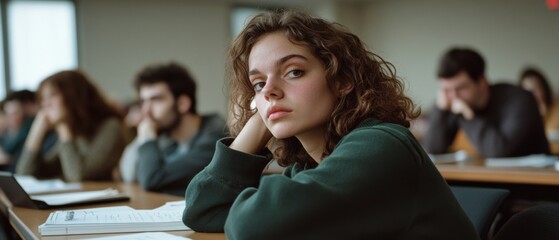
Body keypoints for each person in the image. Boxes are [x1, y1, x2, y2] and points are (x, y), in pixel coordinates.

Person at [182, 11, 478, 239]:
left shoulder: (383, 146)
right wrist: (262, 118)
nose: (269, 90)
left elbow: (252, 225)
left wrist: (268, 105)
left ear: (342, 80)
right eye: (258, 83)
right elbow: (203, 209)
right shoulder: (312, 165)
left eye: (294, 72)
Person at [118, 62, 226, 196]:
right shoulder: (165, 138)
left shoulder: (217, 136)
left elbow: (152, 179)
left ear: (182, 103)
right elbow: (129, 175)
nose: (146, 111)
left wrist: (147, 139)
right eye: (143, 102)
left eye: (156, 100)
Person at [422, 48, 549, 157]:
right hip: (487, 179)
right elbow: (432, 150)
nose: (454, 96)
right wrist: (441, 110)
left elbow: (499, 151)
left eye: (461, 88)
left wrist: (469, 117)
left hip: (533, 180)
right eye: (446, 90)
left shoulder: (520, 99)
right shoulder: (453, 101)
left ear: (482, 82)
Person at [16, 70, 127, 181]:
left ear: (73, 95)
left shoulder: (111, 127)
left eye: (52, 95)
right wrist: (37, 131)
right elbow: (25, 174)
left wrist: (64, 126)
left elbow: (78, 176)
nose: (46, 104)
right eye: (43, 99)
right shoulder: (76, 133)